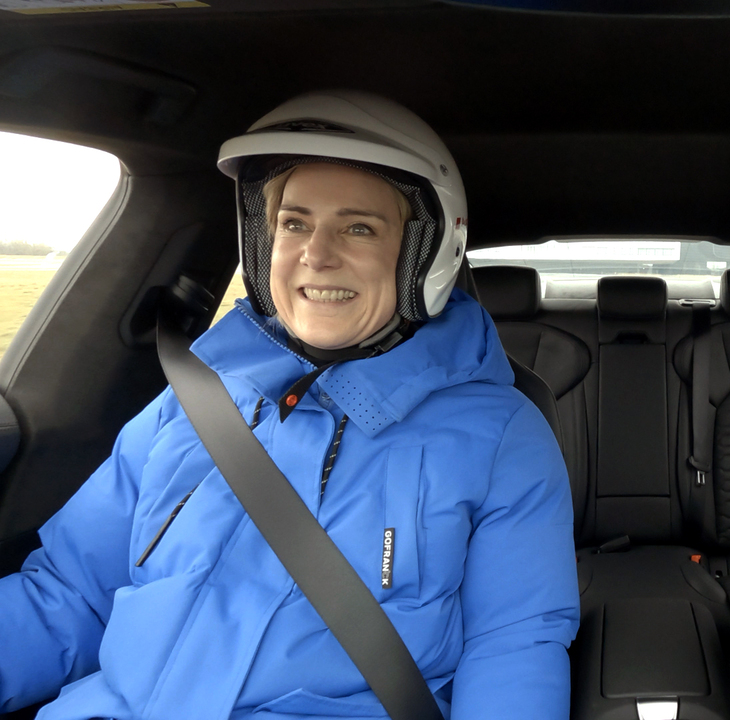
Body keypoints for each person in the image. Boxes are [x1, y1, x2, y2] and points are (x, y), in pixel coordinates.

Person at [0, 90, 579, 719]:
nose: (316, 253)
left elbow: (512, 650)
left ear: (424, 255)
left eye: (358, 228)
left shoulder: (500, 436)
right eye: (294, 223)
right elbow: (70, 597)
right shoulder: (191, 403)